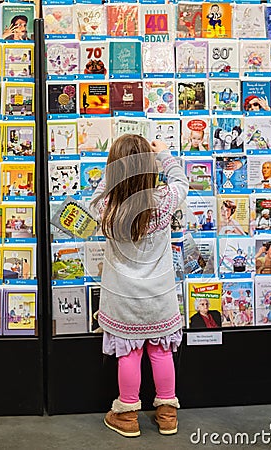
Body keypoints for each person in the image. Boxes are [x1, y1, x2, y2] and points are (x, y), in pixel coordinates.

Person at [89, 134, 188, 437]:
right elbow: (182, 183)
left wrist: (117, 169)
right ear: (149, 167)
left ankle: (127, 415)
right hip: (159, 297)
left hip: (123, 299)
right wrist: (165, 155)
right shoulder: (163, 200)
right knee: (161, 352)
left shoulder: (105, 207)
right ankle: (168, 414)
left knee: (128, 355)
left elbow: (98, 192)